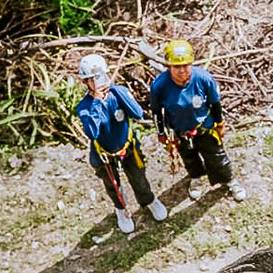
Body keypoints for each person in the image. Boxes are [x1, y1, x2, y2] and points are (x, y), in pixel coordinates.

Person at [76, 53, 168, 233]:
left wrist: (116, 90)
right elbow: (92, 132)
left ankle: (148, 200)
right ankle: (120, 208)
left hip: (128, 148)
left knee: (138, 177)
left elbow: (138, 113)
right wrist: (96, 102)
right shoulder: (85, 107)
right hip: (103, 153)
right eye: (93, 79)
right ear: (85, 82)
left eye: (101, 76)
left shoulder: (119, 93)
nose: (98, 81)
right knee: (112, 184)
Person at [149, 39, 246, 202]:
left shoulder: (204, 79)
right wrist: (161, 133)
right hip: (179, 130)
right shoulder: (159, 86)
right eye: (176, 67)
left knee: (217, 156)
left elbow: (215, 103)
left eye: (185, 66)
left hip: (204, 127)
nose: (181, 71)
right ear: (169, 67)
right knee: (189, 157)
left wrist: (220, 124)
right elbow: (157, 111)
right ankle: (196, 178)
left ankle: (229, 180)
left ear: (191, 64)